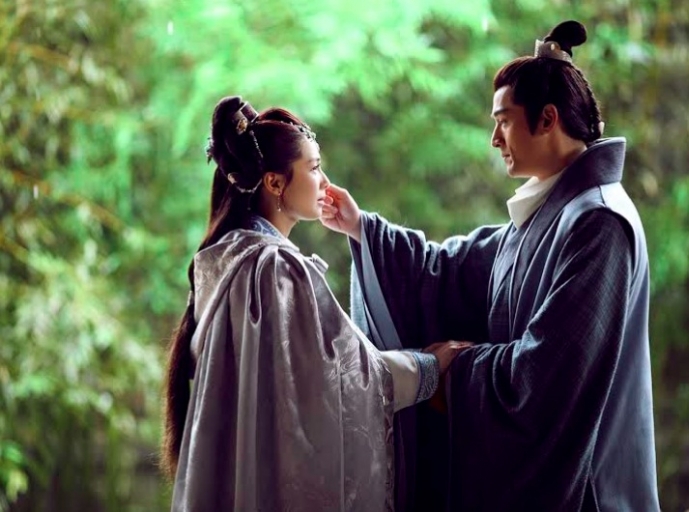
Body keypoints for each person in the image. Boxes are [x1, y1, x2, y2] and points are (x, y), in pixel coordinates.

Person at [320, 20, 660, 511]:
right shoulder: (553, 213)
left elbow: (547, 378)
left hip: (591, 491)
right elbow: (447, 271)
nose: (494, 139)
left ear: (547, 119)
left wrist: (453, 368)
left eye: (503, 121)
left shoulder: (599, 222)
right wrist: (361, 228)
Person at [160, 96, 470, 512]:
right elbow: (338, 381)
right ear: (275, 183)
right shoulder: (275, 269)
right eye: (314, 168)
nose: (324, 182)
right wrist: (429, 368)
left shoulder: (224, 262)